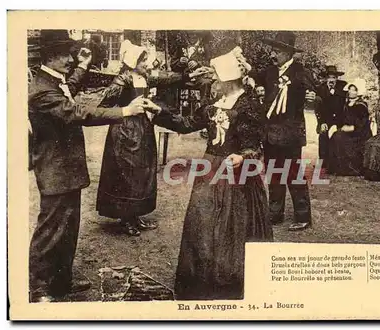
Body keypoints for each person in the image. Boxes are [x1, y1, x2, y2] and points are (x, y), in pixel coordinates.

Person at [28, 30, 155, 303]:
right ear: (51, 56)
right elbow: (75, 112)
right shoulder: (40, 90)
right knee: (50, 231)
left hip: (67, 170)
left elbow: (69, 90)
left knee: (68, 227)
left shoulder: (52, 81)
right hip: (55, 170)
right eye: (66, 54)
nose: (71, 58)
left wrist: (84, 65)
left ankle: (61, 282)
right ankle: (40, 289)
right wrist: (123, 112)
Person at [152, 40, 272, 300]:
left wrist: (242, 156)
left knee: (233, 226)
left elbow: (255, 146)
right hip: (210, 168)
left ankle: (228, 283)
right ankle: (203, 281)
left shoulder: (248, 106)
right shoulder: (214, 104)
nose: (212, 80)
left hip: (236, 174)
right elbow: (186, 123)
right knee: (204, 221)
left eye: (216, 76)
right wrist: (158, 111)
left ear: (229, 79)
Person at [96, 40, 209, 236]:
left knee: (142, 171)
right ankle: (125, 218)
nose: (147, 64)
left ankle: (135, 215)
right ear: (132, 62)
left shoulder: (145, 77)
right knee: (127, 174)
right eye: (143, 61)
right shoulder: (122, 80)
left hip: (142, 128)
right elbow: (103, 106)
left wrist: (189, 75)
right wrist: (126, 108)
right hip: (124, 132)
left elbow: (167, 78)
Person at [252, 31, 318, 231]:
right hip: (270, 133)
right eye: (273, 50)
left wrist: (313, 100)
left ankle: (303, 216)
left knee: (293, 174)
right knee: (273, 173)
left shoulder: (301, 72)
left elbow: (316, 95)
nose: (274, 54)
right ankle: (275, 214)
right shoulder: (270, 72)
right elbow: (253, 78)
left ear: (289, 53)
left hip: (290, 134)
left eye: (278, 51)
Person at [327, 78, 372, 176]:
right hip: (348, 130)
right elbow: (342, 118)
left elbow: (362, 123)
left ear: (358, 92)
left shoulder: (361, 105)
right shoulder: (347, 104)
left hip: (359, 134)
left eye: (354, 90)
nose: (351, 92)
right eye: (350, 89)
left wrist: (352, 128)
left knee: (339, 137)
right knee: (336, 135)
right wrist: (337, 125)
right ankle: (336, 167)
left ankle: (349, 169)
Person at [314, 64, 347, 173]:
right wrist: (321, 122)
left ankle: (335, 162)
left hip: (340, 120)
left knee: (337, 136)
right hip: (325, 120)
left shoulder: (343, 87)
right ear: (326, 78)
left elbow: (343, 106)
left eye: (334, 77)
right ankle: (323, 160)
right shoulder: (320, 88)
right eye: (329, 77)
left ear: (337, 78)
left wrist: (334, 92)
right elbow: (318, 108)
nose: (331, 80)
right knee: (323, 134)